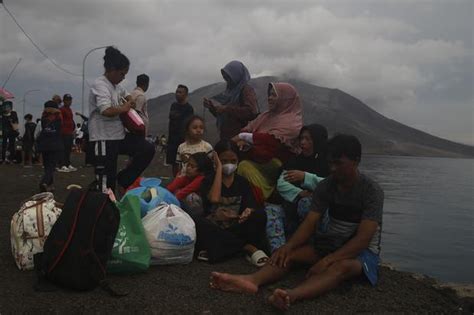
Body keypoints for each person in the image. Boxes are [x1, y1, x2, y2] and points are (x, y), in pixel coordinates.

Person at [210, 134, 384, 311]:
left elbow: (363, 239)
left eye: (338, 163)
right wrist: (288, 246)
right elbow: (310, 222)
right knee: (287, 255)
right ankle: (252, 280)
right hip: (332, 243)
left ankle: (291, 295)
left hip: (361, 252)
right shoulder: (326, 186)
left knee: (340, 267)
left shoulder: (371, 191)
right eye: (330, 163)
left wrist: (328, 260)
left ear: (356, 160)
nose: (332, 168)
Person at [88, 46, 155, 193]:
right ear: (112, 69)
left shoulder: (116, 87)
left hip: (119, 136)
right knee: (106, 183)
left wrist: (129, 100)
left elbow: (128, 95)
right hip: (103, 138)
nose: (124, 77)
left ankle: (123, 180)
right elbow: (106, 110)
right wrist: (124, 108)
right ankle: (104, 207)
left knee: (147, 148)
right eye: (122, 73)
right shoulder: (100, 85)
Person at [192, 140, 268, 265]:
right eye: (224, 161)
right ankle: (247, 248)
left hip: (236, 227)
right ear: (216, 161)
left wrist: (248, 212)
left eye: (233, 161)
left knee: (260, 215)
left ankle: (223, 249)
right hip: (215, 227)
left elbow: (250, 205)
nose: (229, 165)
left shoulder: (242, 182)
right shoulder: (208, 180)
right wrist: (219, 170)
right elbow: (214, 199)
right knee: (197, 222)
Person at [232, 82, 303, 205]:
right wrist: (244, 137)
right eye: (269, 94)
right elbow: (247, 128)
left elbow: (271, 142)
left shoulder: (292, 121)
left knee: (244, 167)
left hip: (276, 167)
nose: (269, 98)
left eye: (274, 95)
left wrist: (244, 137)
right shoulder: (266, 115)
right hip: (256, 159)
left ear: (285, 99)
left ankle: (261, 199)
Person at [203, 60, 258, 140]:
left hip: (240, 138)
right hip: (226, 136)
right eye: (225, 76)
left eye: (229, 76)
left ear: (237, 75)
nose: (227, 79)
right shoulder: (230, 91)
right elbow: (225, 115)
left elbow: (251, 112)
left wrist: (226, 109)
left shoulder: (246, 90)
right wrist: (211, 107)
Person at [167, 84, 194, 175]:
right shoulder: (173, 105)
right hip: (172, 140)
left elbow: (189, 125)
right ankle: (175, 180)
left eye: (180, 92)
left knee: (183, 162)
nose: (177, 94)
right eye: (177, 92)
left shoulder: (189, 109)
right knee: (173, 162)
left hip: (182, 140)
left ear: (185, 95)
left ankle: (183, 180)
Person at [37, 101, 63, 192]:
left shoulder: (43, 118)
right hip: (55, 145)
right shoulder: (59, 118)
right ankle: (44, 182)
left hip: (44, 145)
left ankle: (50, 184)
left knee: (47, 165)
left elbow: (40, 132)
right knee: (51, 166)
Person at [58, 94, 76, 172]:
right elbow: (60, 120)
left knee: (68, 149)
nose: (69, 102)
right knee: (63, 149)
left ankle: (68, 163)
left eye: (70, 100)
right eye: (68, 100)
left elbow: (71, 120)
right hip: (63, 132)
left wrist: (73, 130)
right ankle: (62, 165)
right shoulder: (61, 109)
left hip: (69, 132)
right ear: (64, 101)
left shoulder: (70, 109)